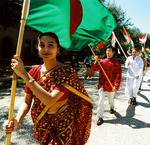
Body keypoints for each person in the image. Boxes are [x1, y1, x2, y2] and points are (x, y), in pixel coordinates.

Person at [3, 32, 93, 145]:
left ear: (58, 49)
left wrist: (24, 75)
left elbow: (49, 100)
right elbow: (27, 103)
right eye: (42, 45)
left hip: (63, 126)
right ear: (38, 48)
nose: (46, 49)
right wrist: (16, 120)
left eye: (51, 45)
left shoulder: (67, 72)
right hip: (43, 125)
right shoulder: (33, 72)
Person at [91, 46, 122, 125]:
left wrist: (116, 86)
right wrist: (95, 61)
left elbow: (118, 75)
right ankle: (100, 117)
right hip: (102, 84)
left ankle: (112, 107)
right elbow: (95, 68)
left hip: (111, 85)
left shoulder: (116, 63)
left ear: (113, 52)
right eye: (107, 51)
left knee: (111, 99)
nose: (107, 52)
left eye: (109, 51)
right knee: (101, 99)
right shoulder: (102, 61)